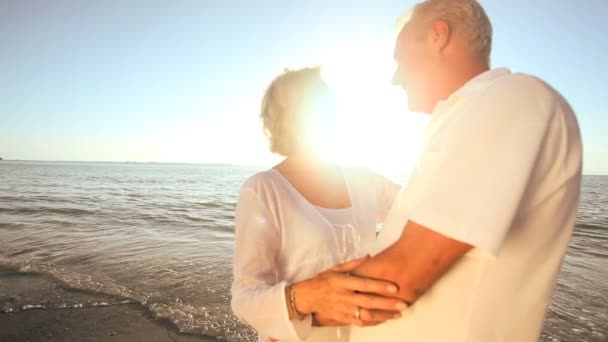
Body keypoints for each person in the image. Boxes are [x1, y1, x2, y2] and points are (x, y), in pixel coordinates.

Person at [346, 1, 583, 341]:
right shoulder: (461, 124)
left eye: (399, 58)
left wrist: (293, 304)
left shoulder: (514, 97)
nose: (395, 77)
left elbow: (401, 279)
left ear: (438, 35)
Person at [230, 67, 406, 342]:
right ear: (285, 117)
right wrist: (306, 296)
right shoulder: (264, 189)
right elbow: (244, 298)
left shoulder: (364, 179)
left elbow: (421, 213)